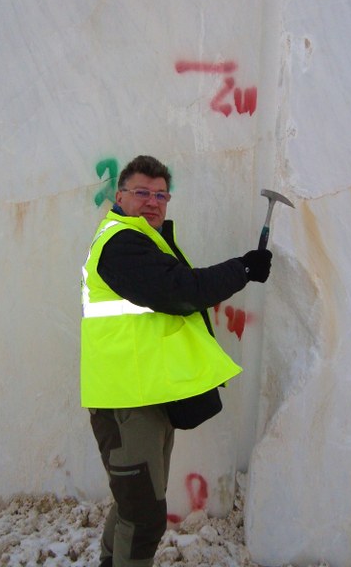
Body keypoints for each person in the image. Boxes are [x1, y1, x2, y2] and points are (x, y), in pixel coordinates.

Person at [80, 155, 272, 567]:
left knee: (134, 503)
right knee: (145, 516)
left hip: (144, 394)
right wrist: (243, 269)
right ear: (119, 196)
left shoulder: (145, 240)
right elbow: (178, 290)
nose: (152, 202)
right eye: (141, 193)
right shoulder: (120, 242)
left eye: (160, 194)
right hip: (125, 401)